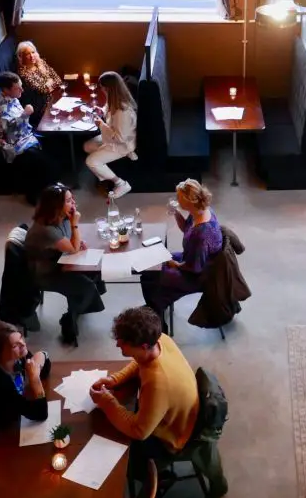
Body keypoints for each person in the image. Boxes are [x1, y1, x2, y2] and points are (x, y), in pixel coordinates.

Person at [89, 307, 199, 476]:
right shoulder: (160, 340)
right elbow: (141, 362)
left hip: (173, 435)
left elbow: (139, 431)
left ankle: (145, 477)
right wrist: (115, 379)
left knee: (112, 447)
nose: (117, 344)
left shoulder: (159, 383)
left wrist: (106, 402)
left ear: (144, 346)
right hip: (178, 413)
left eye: (123, 341)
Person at [0, 320, 51, 481]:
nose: (22, 345)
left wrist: (42, 357)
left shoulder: (17, 356)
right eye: (15, 345)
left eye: (21, 338)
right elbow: (40, 413)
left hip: (12, 411)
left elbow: (44, 370)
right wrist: (34, 380)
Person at [24, 184, 105, 345]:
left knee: (95, 272)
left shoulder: (60, 218)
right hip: (46, 274)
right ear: (56, 206)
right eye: (68, 200)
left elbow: (71, 242)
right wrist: (75, 225)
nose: (73, 203)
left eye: (72, 198)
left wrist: (77, 240)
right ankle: (69, 318)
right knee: (87, 287)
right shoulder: (46, 230)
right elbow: (73, 248)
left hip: (60, 262)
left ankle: (77, 307)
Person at [140, 179, 223, 334]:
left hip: (198, 275)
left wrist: (175, 265)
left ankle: (157, 319)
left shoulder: (201, 234)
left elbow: (194, 268)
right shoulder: (200, 211)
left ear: (189, 201)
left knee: (152, 274)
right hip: (191, 260)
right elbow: (186, 228)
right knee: (152, 264)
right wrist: (176, 213)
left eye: (179, 198)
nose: (176, 200)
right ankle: (156, 307)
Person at [0, 71, 58, 205]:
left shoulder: (14, 98)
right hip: (14, 143)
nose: (22, 89)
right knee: (40, 162)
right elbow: (5, 129)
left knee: (54, 145)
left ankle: (51, 189)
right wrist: (24, 114)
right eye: (18, 87)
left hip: (27, 136)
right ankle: (35, 196)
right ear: (6, 89)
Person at [84, 71, 137, 198]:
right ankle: (102, 165)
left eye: (102, 88)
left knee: (91, 161)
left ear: (108, 89)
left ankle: (120, 183)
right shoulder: (114, 99)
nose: (101, 90)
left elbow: (120, 138)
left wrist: (101, 124)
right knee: (87, 146)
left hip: (122, 144)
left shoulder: (123, 111)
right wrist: (101, 111)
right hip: (112, 137)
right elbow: (108, 111)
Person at [16, 40, 62, 121]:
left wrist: (48, 85)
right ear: (21, 56)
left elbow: (58, 79)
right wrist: (50, 81)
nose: (31, 56)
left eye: (33, 52)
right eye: (27, 54)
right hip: (41, 104)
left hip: (54, 96)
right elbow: (42, 90)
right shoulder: (23, 73)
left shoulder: (41, 63)